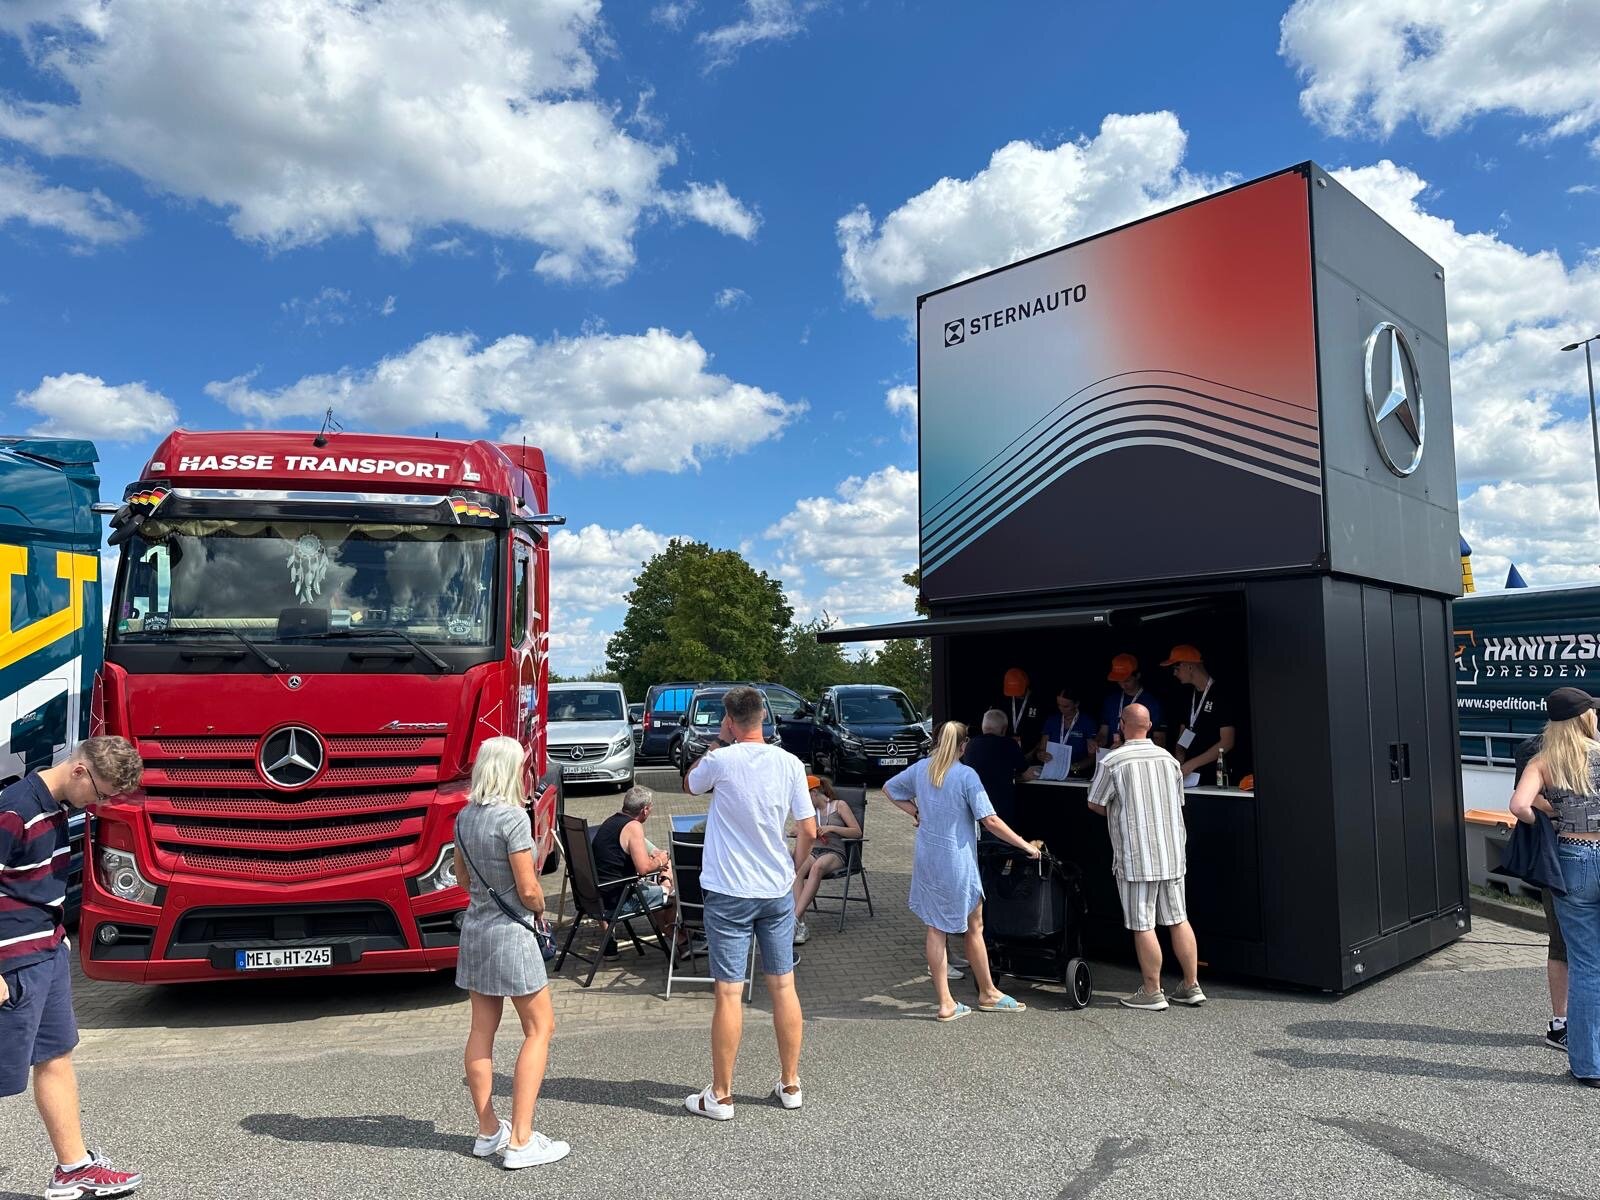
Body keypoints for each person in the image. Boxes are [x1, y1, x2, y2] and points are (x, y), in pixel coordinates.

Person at [1, 736, 146, 1200]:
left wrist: (58, 937)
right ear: (80, 770)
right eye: (101, 793)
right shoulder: (15, 809)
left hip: (46, 951)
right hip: (12, 962)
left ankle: (73, 1168)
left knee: (56, 1057)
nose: (101, 804)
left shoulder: (58, 807)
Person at [684, 686, 817, 1120]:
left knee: (728, 992)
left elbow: (690, 784)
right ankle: (791, 1083)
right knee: (783, 986)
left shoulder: (720, 760)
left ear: (728, 720)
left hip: (728, 890)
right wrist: (793, 871)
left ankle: (722, 1095)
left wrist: (721, 744)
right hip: (775, 889)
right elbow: (810, 829)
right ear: (764, 716)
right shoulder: (790, 763)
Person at [452, 737, 569, 1168]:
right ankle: (521, 1140)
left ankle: (488, 1131)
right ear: (511, 771)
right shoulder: (513, 819)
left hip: (477, 930)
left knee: (481, 1031)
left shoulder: (463, 818)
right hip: (511, 935)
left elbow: (463, 880)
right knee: (540, 1028)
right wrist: (540, 909)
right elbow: (529, 889)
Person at [886, 721, 1040, 1021]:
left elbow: (889, 789)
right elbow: (990, 820)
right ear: (963, 745)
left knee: (935, 927)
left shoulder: (922, 769)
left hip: (927, 857)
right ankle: (987, 993)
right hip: (956, 860)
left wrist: (915, 811)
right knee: (974, 925)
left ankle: (948, 1000)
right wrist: (1026, 846)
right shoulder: (966, 775)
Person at [1087, 703, 1205, 1011]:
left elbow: (1095, 803)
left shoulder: (1114, 760)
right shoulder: (1168, 760)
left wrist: (1119, 809)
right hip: (1171, 851)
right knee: (1179, 918)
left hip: (1136, 854)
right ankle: (1191, 985)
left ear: (1122, 725)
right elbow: (1178, 801)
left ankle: (1152, 990)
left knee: (1143, 923)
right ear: (1150, 725)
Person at [1510, 687, 1600, 1088]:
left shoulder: (1543, 761)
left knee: (1586, 964)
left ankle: (1589, 1066)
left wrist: (1547, 810)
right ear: (1585, 718)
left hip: (1572, 859)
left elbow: (1518, 806)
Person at [1513, 699, 1570, 1052]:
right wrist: (1558, 814)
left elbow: (1522, 802)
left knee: (1562, 941)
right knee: (1566, 942)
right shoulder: (1540, 752)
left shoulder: (1534, 750)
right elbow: (1524, 801)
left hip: (1554, 856)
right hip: (1561, 856)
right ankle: (1563, 1022)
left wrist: (1549, 816)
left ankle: (1562, 1022)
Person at [590, 786, 677, 946]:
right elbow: (643, 869)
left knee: (655, 891)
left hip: (596, 898)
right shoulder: (633, 827)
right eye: (650, 808)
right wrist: (661, 861)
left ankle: (674, 937)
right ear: (644, 810)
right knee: (674, 896)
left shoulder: (611, 822)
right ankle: (676, 936)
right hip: (618, 901)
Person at [791, 776, 862, 946]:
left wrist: (832, 828)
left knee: (817, 867)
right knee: (797, 871)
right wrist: (802, 830)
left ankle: (793, 920)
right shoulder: (809, 812)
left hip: (835, 852)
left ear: (814, 793)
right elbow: (794, 829)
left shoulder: (840, 806)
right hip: (815, 850)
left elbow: (857, 832)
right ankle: (800, 924)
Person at [1162, 645, 1237, 786]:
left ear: (1189, 667)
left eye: (1176, 669)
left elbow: (1227, 742)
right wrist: (1180, 756)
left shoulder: (1222, 694)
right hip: (1191, 778)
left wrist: (1191, 764)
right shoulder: (1187, 696)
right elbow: (1187, 731)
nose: (1174, 674)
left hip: (1217, 777)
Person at [963, 709, 1040, 831]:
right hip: (1002, 810)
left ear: (983, 727)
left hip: (975, 808)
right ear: (1004, 729)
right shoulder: (1009, 744)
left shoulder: (970, 745)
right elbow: (1026, 773)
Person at [1098, 654, 1166, 750]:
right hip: (1111, 755)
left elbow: (1159, 740)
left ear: (1137, 676)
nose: (1122, 685)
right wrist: (1097, 742)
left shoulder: (1152, 703)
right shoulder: (1111, 700)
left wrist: (1129, 749)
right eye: (1119, 681)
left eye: (1127, 681)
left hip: (1138, 757)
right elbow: (1103, 734)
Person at [1039, 686, 1098, 777]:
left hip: (1077, 774)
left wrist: (1073, 767)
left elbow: (1092, 757)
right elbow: (1041, 749)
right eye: (1059, 705)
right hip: (1052, 772)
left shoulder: (1087, 722)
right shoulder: (1052, 720)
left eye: (1066, 706)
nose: (1061, 709)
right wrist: (1041, 755)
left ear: (1076, 704)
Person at [995, 667, 1045, 762]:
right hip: (1005, 751)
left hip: (1031, 754)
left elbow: (1043, 734)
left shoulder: (1038, 702)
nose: (1016, 694)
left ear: (1026, 685)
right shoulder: (1003, 702)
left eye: (1017, 690)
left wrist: (1032, 753)